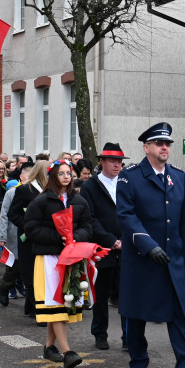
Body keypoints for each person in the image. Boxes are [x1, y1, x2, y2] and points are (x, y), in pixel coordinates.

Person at [117, 122, 185, 368]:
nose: (165, 147)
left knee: (179, 313)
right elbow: (126, 216)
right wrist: (148, 245)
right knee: (137, 314)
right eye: (159, 143)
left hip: (172, 259)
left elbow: (184, 219)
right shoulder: (130, 176)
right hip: (142, 259)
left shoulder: (178, 176)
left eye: (167, 143)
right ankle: (138, 363)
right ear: (146, 148)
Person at [23, 160, 90, 368]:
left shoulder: (79, 200)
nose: (66, 177)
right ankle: (67, 351)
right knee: (56, 304)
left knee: (61, 304)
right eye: (61, 173)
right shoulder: (41, 201)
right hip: (49, 258)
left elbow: (88, 225)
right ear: (53, 176)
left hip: (71, 257)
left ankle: (49, 347)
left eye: (68, 173)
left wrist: (75, 237)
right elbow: (30, 229)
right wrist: (57, 237)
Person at [79, 143, 126, 351]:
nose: (117, 166)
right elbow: (91, 218)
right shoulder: (91, 185)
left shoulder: (127, 183)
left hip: (126, 248)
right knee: (101, 294)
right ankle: (100, 334)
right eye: (113, 162)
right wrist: (111, 241)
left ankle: (129, 336)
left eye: (120, 162)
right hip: (102, 249)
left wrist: (126, 239)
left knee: (126, 295)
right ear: (102, 162)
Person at [8, 160, 48, 317]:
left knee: (43, 271)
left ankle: (33, 305)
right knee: (30, 270)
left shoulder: (52, 189)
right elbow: (13, 213)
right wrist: (27, 226)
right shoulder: (25, 189)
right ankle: (34, 305)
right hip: (28, 237)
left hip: (46, 236)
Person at [0, 166, 30, 306]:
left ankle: (31, 302)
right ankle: (4, 288)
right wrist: (2, 236)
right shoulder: (12, 193)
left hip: (30, 234)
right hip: (14, 234)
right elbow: (4, 215)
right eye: (28, 176)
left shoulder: (37, 192)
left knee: (29, 269)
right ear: (21, 177)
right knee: (14, 267)